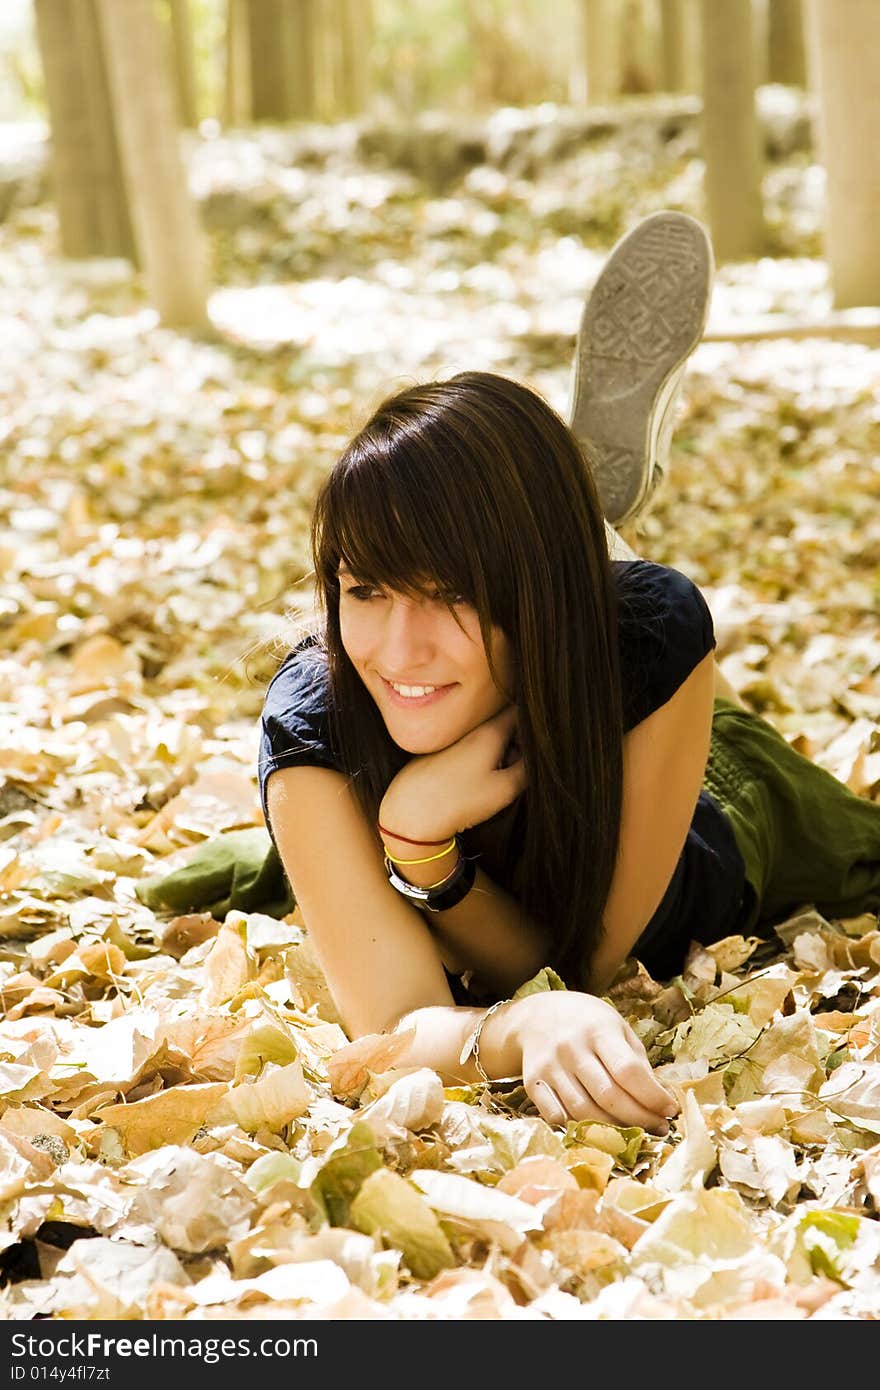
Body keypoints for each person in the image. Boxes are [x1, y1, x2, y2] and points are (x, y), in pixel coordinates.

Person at [258, 213, 880, 1137]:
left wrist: (421, 850)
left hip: (674, 779)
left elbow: (585, 964)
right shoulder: (312, 719)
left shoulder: (655, 638)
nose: (397, 648)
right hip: (545, 662)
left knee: (746, 757)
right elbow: (391, 1034)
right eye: (365, 589)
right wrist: (514, 1022)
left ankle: (575, 532)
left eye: (452, 594)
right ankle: (566, 516)